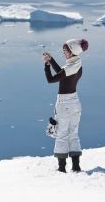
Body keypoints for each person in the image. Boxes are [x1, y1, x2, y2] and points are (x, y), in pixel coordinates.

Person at [42, 39, 89, 173]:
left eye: (65, 51)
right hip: (75, 103)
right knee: (73, 134)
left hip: (64, 104)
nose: (64, 53)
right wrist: (51, 60)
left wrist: (46, 65)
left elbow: (51, 79)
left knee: (61, 135)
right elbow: (62, 74)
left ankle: (62, 168)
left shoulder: (69, 68)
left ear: (72, 51)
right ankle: (76, 166)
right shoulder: (77, 64)